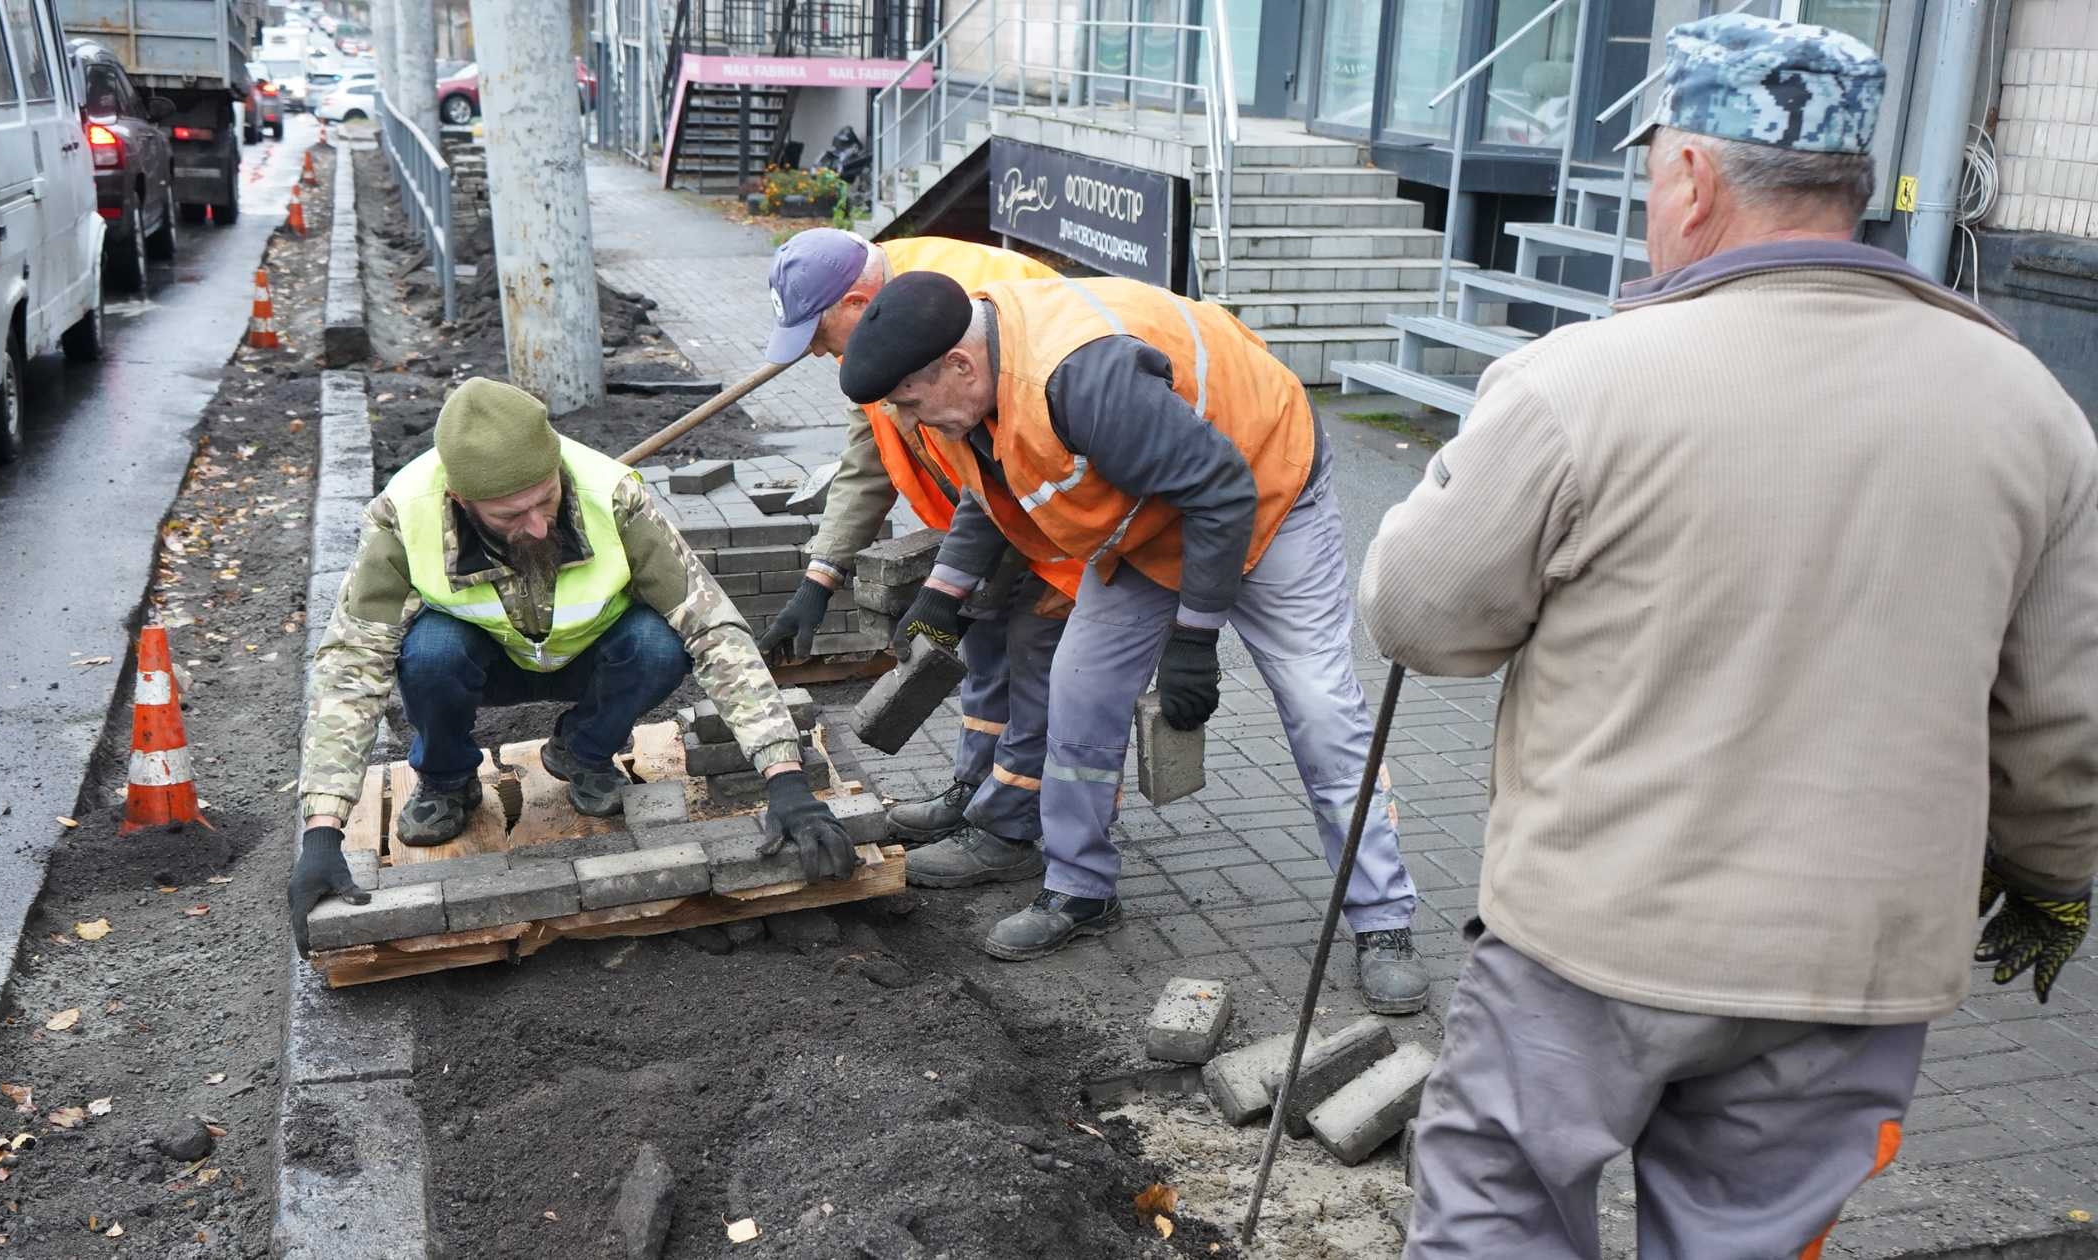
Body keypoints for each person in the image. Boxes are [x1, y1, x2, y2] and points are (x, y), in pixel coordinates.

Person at [1358, 14, 2098, 1254]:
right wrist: (2053, 876)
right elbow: (2060, 715)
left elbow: (1420, 619)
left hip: (1593, 938)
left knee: (1499, 1218)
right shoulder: (2027, 403)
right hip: (1850, 963)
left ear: (1690, 176)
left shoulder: (1580, 382)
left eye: (1652, 171)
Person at [837, 270, 1427, 1014]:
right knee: (1079, 691)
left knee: (1319, 710)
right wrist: (939, 599)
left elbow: (1221, 490)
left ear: (958, 366)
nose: (905, 416)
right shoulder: (966, 395)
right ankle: (1078, 890)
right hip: (1150, 517)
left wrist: (1195, 640)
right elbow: (998, 488)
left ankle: (1384, 922)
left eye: (909, 401)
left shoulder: (1079, 376)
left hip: (1267, 488)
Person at [287, 377, 857, 949]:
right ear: (461, 501)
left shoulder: (611, 492)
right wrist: (322, 830)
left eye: (546, 499)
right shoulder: (403, 515)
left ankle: (582, 752)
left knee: (661, 643)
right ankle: (445, 779)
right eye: (511, 514)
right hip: (481, 662)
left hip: (591, 653)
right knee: (429, 653)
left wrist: (785, 780)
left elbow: (712, 627)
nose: (537, 525)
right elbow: (350, 666)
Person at [755, 228, 1078, 891]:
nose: (817, 352)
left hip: (1060, 510)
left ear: (855, 302)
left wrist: (1061, 568)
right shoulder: (885, 330)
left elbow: (1046, 443)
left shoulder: (945, 308)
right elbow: (867, 457)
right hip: (990, 514)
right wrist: (821, 578)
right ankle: (974, 793)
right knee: (985, 650)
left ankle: (1009, 830)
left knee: (1036, 657)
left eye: (818, 334)